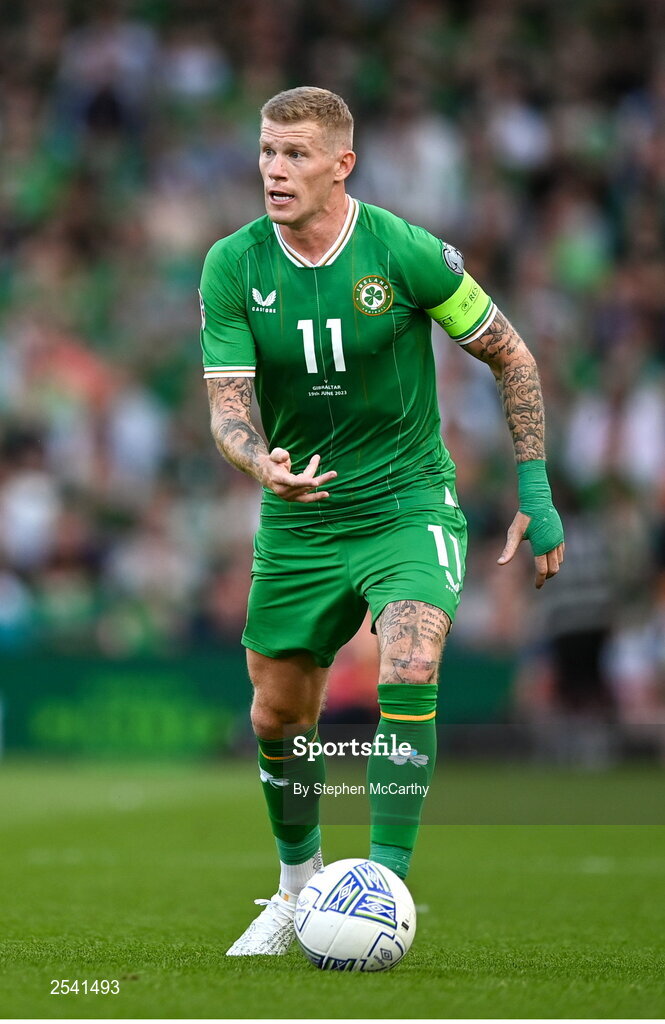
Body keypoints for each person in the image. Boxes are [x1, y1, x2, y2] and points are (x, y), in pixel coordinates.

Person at [198, 87, 564, 956]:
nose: (274, 171)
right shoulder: (232, 265)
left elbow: (509, 352)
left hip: (405, 502)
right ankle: (294, 892)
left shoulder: (401, 252)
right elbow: (227, 407)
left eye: (293, 155)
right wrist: (260, 464)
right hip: (301, 515)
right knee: (277, 715)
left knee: (410, 654)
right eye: (265, 152)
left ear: (340, 164)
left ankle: (383, 887)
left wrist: (537, 493)